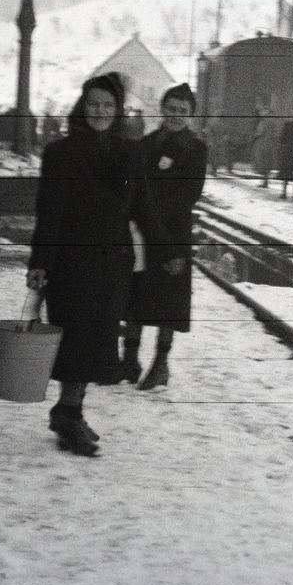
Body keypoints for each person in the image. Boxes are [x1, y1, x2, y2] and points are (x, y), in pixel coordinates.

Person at [26, 73, 136, 457]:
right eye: (93, 104)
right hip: (72, 262)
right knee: (75, 339)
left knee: (96, 339)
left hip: (112, 262)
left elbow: (141, 206)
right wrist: (40, 262)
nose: (100, 112)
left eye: (108, 105)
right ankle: (68, 414)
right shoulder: (61, 152)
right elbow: (49, 211)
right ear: (81, 107)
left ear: (118, 110)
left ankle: (70, 410)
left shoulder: (128, 152)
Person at [124, 84, 208, 391]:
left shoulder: (196, 148)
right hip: (142, 232)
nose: (175, 116)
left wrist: (153, 212)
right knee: (136, 289)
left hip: (174, 233)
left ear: (190, 115)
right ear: (162, 109)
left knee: (169, 300)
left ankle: (161, 365)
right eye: (171, 109)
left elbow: (190, 193)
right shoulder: (146, 144)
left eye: (182, 112)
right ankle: (129, 357)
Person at [252, 104, 280, 187]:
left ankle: (265, 181)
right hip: (270, 144)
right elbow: (276, 133)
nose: (261, 113)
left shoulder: (264, 121)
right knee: (268, 162)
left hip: (263, 144)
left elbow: (260, 132)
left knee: (263, 162)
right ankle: (265, 181)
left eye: (262, 111)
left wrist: (255, 135)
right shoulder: (273, 121)